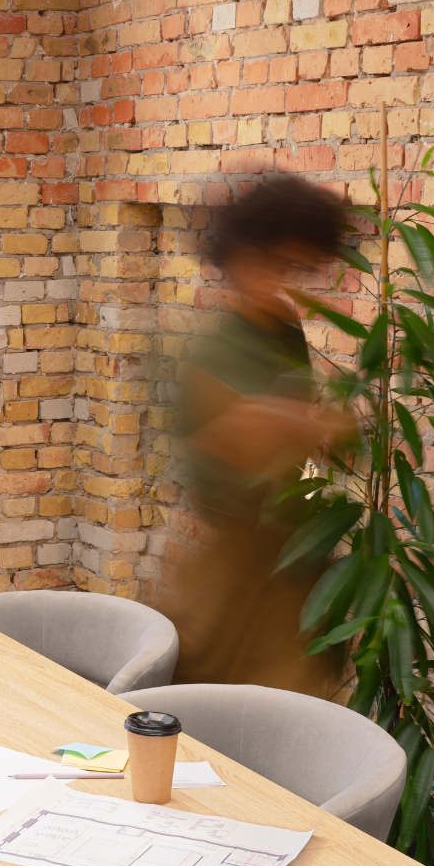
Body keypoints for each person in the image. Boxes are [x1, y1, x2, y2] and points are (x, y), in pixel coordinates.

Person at [154, 174, 354, 698]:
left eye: (299, 268)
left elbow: (301, 433)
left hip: (298, 555)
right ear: (238, 259)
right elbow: (247, 436)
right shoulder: (211, 355)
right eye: (271, 264)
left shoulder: (285, 330)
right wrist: (318, 426)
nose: (284, 281)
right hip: (239, 562)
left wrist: (318, 490)